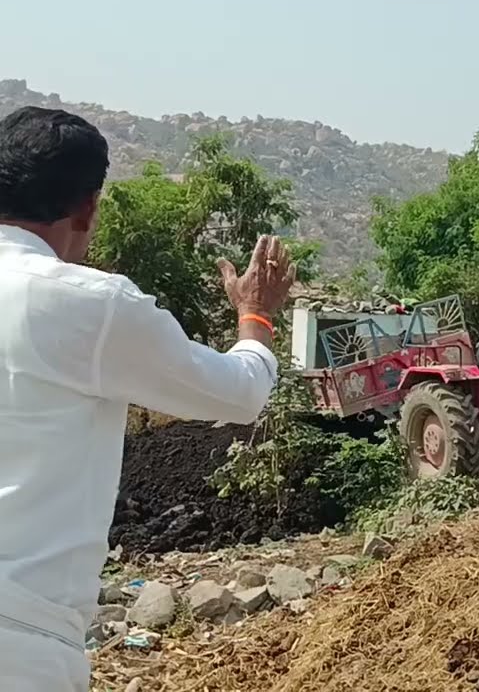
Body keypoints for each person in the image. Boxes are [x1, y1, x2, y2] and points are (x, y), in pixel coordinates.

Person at [0, 106, 295, 692]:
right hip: (21, 635)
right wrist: (255, 315)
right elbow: (239, 394)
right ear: (88, 207)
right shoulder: (88, 304)